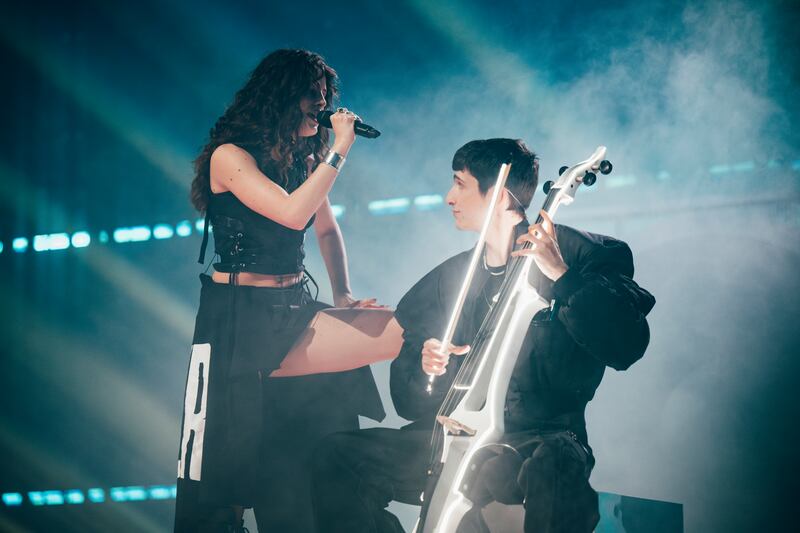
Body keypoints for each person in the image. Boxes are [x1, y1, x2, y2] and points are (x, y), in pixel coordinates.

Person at [311, 138, 656, 532]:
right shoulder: (451, 280)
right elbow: (408, 404)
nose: (449, 197)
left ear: (499, 194)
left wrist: (561, 275)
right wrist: (428, 367)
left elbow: (626, 344)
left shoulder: (580, 253)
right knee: (338, 456)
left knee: (552, 466)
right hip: (457, 440)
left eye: (460, 183)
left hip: (541, 438)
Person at [174, 49, 403, 533]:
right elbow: (293, 214)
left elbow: (325, 228)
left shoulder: (303, 158)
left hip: (292, 304)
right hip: (241, 317)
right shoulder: (230, 156)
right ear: (280, 96)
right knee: (229, 458)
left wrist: (343, 294)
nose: (321, 105)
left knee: (386, 346)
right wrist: (340, 148)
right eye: (312, 95)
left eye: (325, 96)